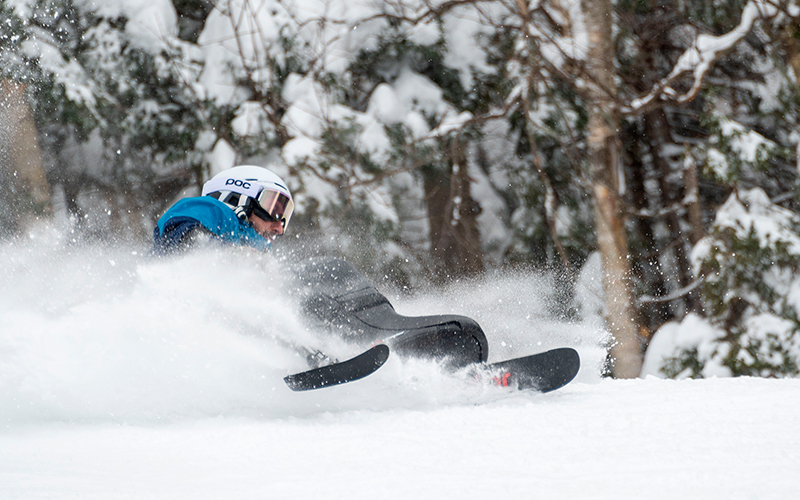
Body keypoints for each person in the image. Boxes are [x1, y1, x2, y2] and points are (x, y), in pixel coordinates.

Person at [153, 165, 294, 253]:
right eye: (273, 211)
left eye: (284, 219)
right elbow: (191, 220)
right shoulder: (217, 214)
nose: (279, 229)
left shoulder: (253, 255)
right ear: (237, 199)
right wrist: (210, 248)